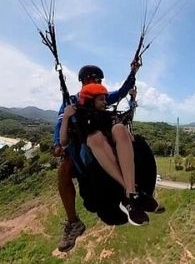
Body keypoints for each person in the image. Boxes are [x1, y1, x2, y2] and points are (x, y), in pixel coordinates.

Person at [52, 63, 157, 251]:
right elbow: (60, 125)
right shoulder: (72, 102)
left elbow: (122, 92)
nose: (95, 83)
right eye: (91, 80)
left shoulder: (103, 97)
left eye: (98, 80)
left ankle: (133, 192)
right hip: (82, 146)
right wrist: (57, 143)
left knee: (127, 139)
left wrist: (133, 72)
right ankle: (73, 222)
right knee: (64, 170)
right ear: (84, 82)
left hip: (105, 141)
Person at [60, 82, 151, 226]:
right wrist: (66, 117)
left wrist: (132, 97)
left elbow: (124, 109)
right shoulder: (77, 116)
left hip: (110, 151)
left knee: (120, 129)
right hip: (92, 157)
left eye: (105, 99)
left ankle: (131, 193)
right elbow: (64, 142)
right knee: (95, 138)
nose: (105, 102)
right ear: (91, 101)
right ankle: (131, 191)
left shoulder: (108, 116)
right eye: (101, 100)